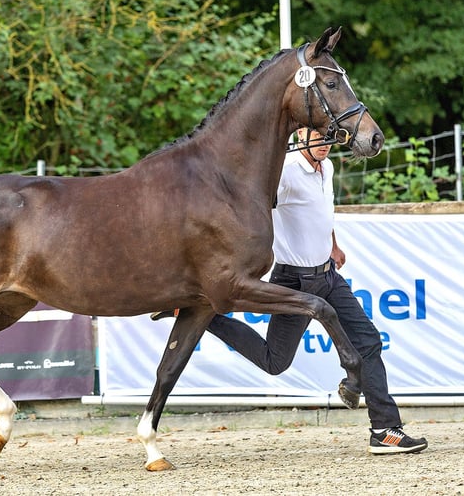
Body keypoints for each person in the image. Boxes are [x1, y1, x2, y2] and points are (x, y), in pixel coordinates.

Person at [153, 127, 427, 454]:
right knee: (275, 361)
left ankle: (384, 430)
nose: (324, 142)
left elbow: (321, 211)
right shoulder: (284, 171)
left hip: (328, 276)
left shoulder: (327, 167)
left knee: (368, 341)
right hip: (294, 281)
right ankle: (204, 317)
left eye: (327, 135)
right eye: (316, 134)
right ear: (300, 135)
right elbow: (250, 203)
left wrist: (333, 245)